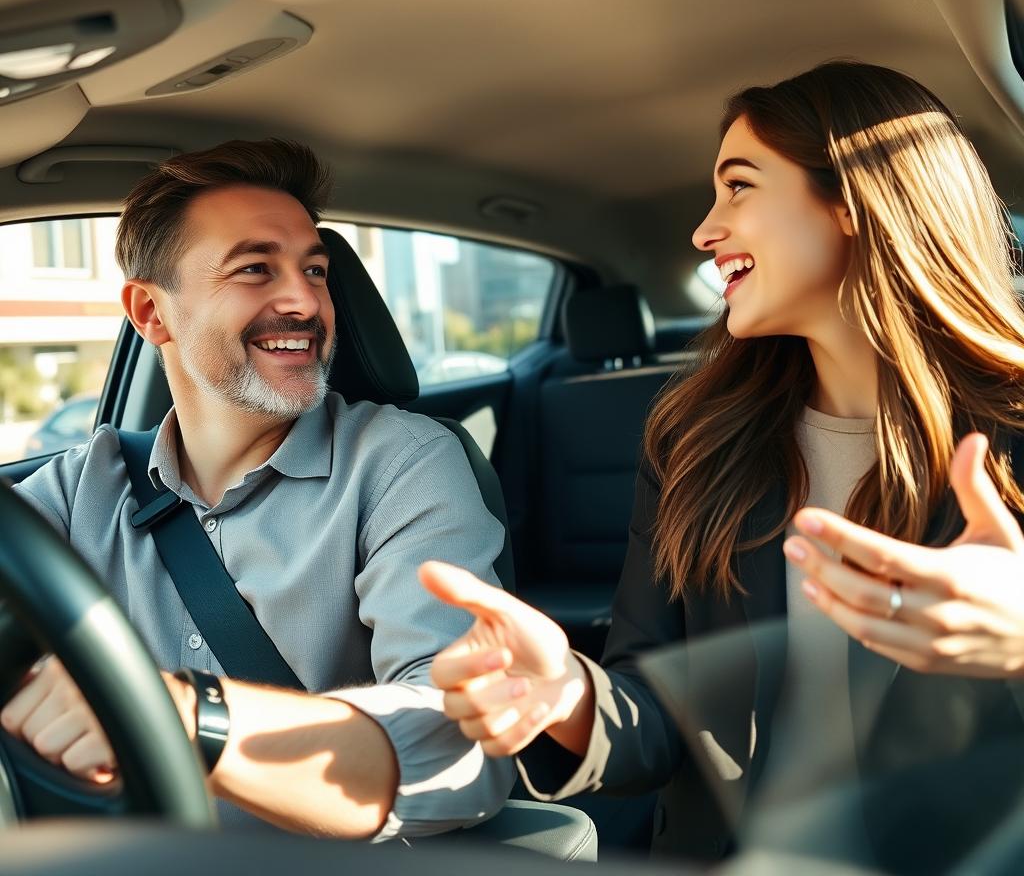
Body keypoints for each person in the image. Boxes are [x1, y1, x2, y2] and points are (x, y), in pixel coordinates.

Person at [419, 61, 1024, 870]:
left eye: (738, 187)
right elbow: (658, 711)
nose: (705, 232)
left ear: (853, 200)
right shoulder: (695, 441)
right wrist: (568, 697)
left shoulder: (1011, 430)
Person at [2, 139, 513, 840]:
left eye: (315, 270)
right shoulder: (77, 488)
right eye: (254, 269)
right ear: (150, 313)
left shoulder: (404, 464)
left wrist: (183, 716)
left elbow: (458, 752)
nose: (303, 300)